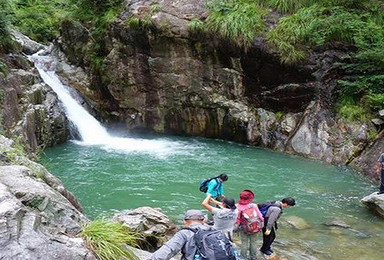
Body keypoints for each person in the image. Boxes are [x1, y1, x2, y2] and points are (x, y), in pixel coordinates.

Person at [235, 190, 263, 260]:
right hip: (255, 227)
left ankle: (243, 257)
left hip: (244, 228)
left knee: (244, 242)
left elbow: (237, 220)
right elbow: (260, 217)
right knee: (254, 242)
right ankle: (253, 257)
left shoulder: (237, 206)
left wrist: (235, 228)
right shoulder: (254, 205)